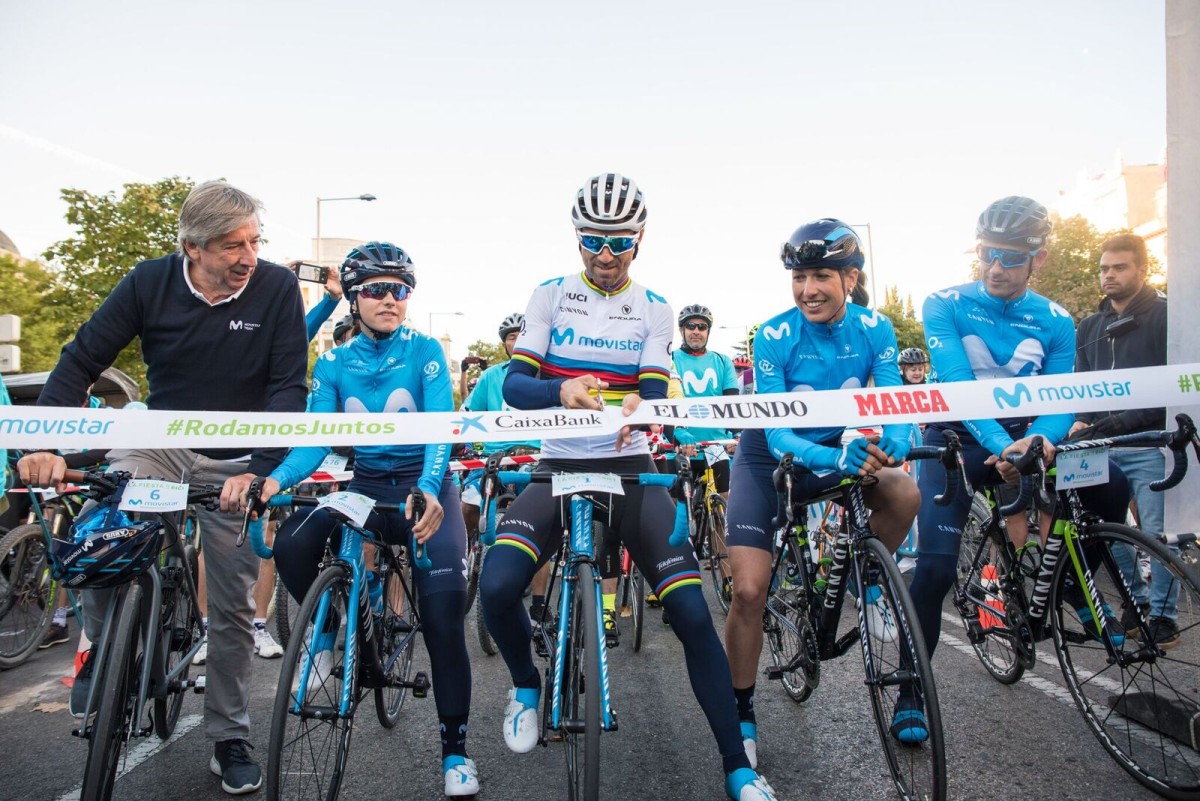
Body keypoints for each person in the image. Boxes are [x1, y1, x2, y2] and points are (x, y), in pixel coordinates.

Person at [478, 173, 777, 801]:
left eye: (618, 242)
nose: (606, 255)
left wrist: (641, 412)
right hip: (558, 466)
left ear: (638, 240)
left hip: (630, 468)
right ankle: (526, 685)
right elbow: (514, 386)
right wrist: (561, 390)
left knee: (693, 613)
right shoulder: (550, 296)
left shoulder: (655, 308)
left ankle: (737, 766)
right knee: (497, 586)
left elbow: (654, 388)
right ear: (577, 240)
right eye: (592, 240)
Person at [18, 180, 308, 795]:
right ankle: (106, 646)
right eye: (232, 245)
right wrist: (43, 441)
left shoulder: (278, 286)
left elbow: (289, 387)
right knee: (103, 526)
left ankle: (229, 732)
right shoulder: (148, 281)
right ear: (191, 247)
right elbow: (80, 361)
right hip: (160, 438)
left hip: (238, 457)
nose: (247, 257)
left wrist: (262, 469)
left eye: (254, 242)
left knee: (230, 606)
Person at [248, 241, 478, 796]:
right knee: (295, 545)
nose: (389, 299)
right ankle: (329, 631)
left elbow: (436, 430)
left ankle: (455, 750)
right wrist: (276, 481)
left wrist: (427, 489)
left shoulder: (424, 351)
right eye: (375, 289)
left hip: (425, 486)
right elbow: (315, 440)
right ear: (353, 298)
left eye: (398, 290)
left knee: (444, 618)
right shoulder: (332, 363)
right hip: (365, 487)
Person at [909, 195, 1132, 700]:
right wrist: (1004, 447)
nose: (996, 267)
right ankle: (910, 687)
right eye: (988, 253)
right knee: (936, 568)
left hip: (1027, 441)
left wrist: (1042, 439)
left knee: (1111, 482)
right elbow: (961, 388)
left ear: (1040, 259)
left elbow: (1063, 397)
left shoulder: (1055, 319)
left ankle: (1070, 585)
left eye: (1011, 258)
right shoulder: (944, 303)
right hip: (958, 438)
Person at [724, 218, 921, 759]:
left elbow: (894, 403)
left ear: (850, 278)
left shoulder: (877, 329)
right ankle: (739, 715)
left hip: (840, 453)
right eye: (799, 277)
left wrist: (897, 445)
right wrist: (834, 456)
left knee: (902, 491)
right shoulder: (773, 335)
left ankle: (866, 576)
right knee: (748, 591)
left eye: (820, 277)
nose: (808, 289)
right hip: (771, 460)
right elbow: (778, 430)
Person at [1069, 232, 1177, 647]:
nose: (1109, 275)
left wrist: (1120, 422)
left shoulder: (1168, 317)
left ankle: (1164, 616)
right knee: (1105, 530)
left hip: (1151, 443)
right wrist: (1082, 421)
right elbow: (1080, 384)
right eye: (1103, 269)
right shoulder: (1091, 326)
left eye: (1119, 267)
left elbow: (1172, 385)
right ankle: (1136, 599)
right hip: (1100, 448)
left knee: (1157, 534)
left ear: (1143, 269)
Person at [456, 314, 546, 628]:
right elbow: (467, 413)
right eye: (511, 337)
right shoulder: (493, 376)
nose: (518, 341)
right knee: (467, 505)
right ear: (505, 344)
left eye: (524, 335)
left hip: (536, 457)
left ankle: (538, 606)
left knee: (541, 530)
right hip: (494, 457)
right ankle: (467, 551)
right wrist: (459, 440)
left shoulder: (548, 375)